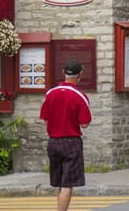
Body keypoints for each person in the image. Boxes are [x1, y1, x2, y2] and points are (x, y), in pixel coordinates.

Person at [39, 60, 92, 211]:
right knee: (67, 184)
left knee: (58, 182)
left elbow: (45, 119)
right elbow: (84, 123)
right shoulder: (79, 96)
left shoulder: (50, 93)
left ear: (63, 72)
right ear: (80, 74)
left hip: (53, 141)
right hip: (71, 141)